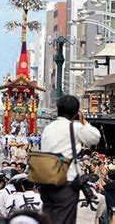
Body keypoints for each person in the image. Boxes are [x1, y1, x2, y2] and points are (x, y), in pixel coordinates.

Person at [40, 95, 101, 224]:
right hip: (65, 182)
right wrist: (83, 121)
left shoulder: (48, 128)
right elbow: (95, 137)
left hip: (46, 181)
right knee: (64, 220)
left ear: (57, 109)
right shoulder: (74, 127)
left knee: (47, 219)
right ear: (76, 112)